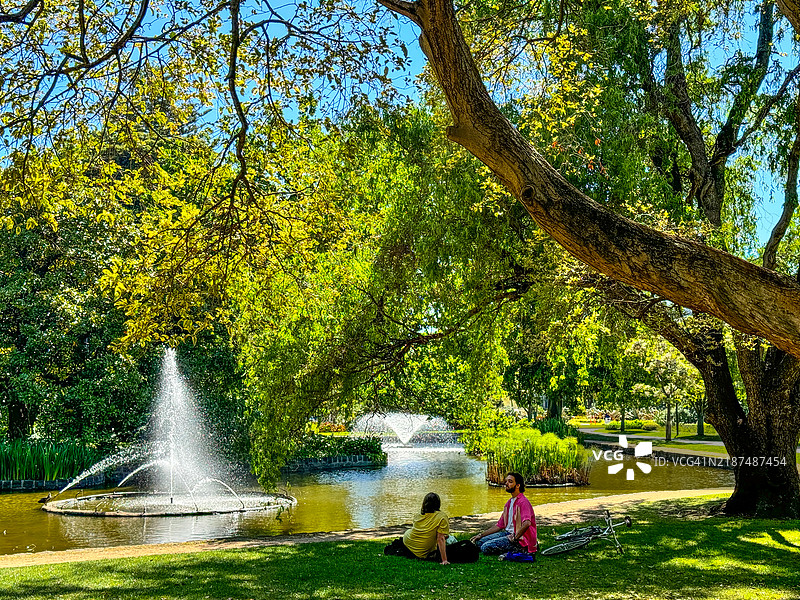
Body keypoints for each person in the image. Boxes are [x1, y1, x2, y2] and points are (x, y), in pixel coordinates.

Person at [470, 472, 537, 557]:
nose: (506, 484)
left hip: (519, 539)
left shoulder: (523, 502)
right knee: (479, 542)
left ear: (518, 485)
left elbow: (527, 523)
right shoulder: (509, 503)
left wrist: (515, 537)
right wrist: (481, 535)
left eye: (510, 481)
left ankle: (521, 549)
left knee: (485, 547)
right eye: (506, 481)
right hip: (507, 533)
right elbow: (499, 525)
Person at [384, 492, 451, 564]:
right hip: (421, 550)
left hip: (409, 541)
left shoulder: (419, 515)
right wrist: (444, 560)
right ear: (438, 503)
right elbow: (440, 538)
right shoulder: (442, 517)